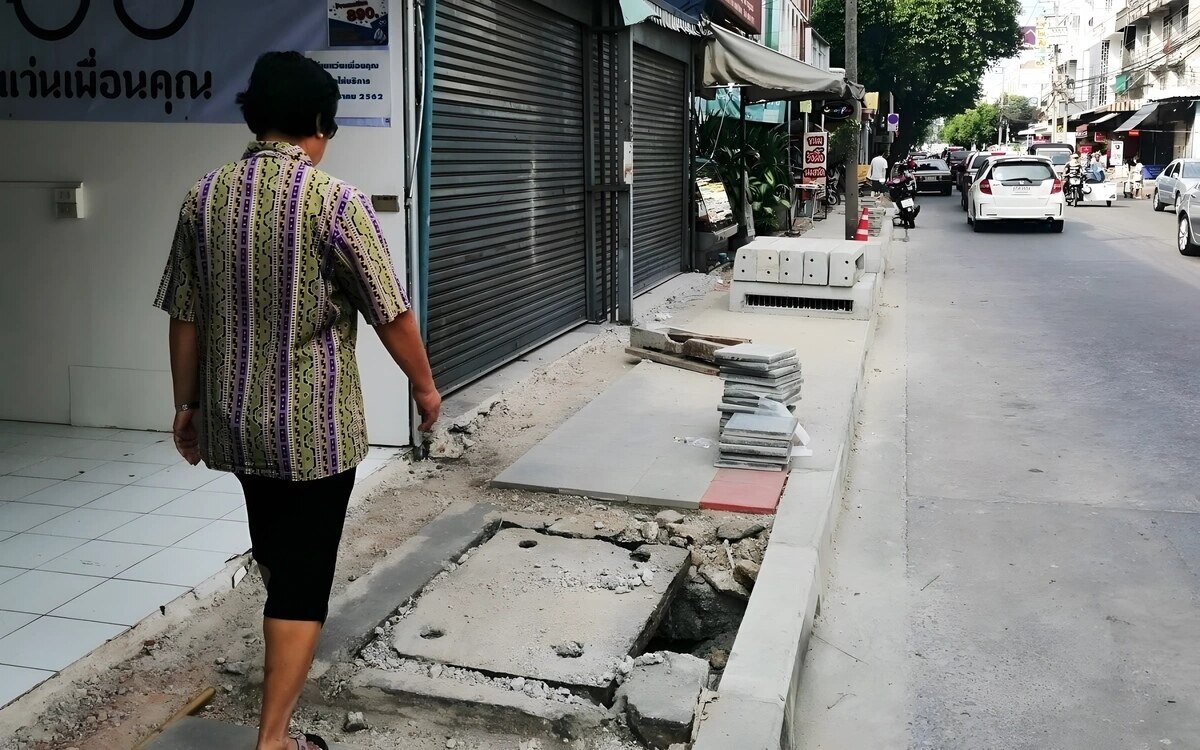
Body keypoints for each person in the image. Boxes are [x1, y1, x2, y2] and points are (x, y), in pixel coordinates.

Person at [155, 52, 441, 750]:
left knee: (279, 552)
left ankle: (283, 653)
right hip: (312, 432)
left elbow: (183, 315)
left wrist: (185, 406)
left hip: (234, 425)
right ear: (317, 123)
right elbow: (391, 310)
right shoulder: (332, 200)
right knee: (303, 579)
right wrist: (426, 387)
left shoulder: (203, 197)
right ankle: (274, 739)